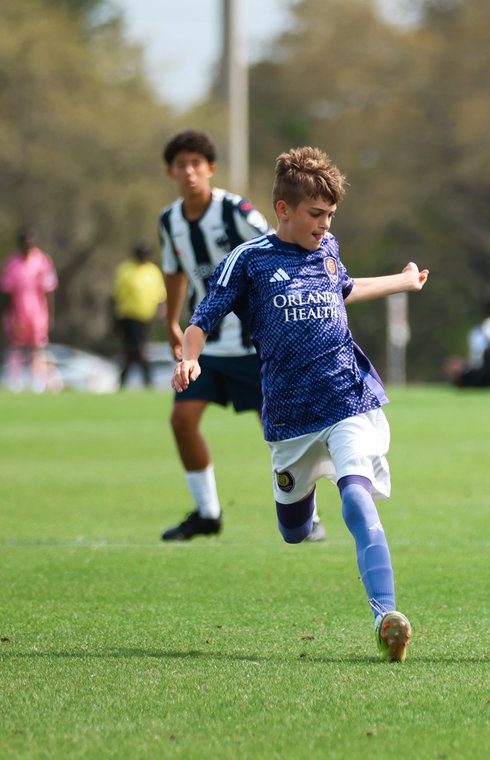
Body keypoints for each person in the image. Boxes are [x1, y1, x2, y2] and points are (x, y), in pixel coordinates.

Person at [171, 146, 429, 661]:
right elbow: (203, 315)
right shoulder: (251, 260)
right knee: (292, 531)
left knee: (356, 495)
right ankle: (301, 501)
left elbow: (345, 288)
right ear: (283, 209)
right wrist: (189, 358)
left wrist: (402, 281)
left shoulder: (328, 247)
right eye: (315, 214)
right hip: (290, 419)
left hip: (347, 396)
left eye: (330, 215)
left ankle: (385, 615)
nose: (324, 224)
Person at [158, 130, 325, 541]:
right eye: (182, 165)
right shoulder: (169, 220)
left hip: (254, 343)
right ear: (171, 172)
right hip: (207, 346)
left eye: (197, 163)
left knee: (281, 431)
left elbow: (277, 245)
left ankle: (310, 516)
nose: (189, 171)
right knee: (182, 419)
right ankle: (207, 513)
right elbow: (174, 271)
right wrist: (171, 321)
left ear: (210, 168)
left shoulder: (235, 210)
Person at [1, 229, 58, 393]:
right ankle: (14, 380)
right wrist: (7, 314)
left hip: (38, 312)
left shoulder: (42, 261)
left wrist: (51, 314)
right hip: (18, 312)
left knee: (37, 346)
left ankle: (38, 381)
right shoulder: (12, 264)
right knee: (15, 345)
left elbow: (49, 290)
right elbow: (7, 292)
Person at [112, 240, 167, 389]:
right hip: (128, 317)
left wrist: (163, 312)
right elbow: (116, 296)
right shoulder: (125, 270)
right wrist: (115, 321)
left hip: (146, 318)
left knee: (133, 351)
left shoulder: (153, 271)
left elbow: (161, 295)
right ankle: (147, 381)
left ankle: (125, 382)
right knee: (138, 350)